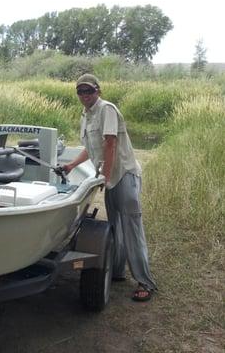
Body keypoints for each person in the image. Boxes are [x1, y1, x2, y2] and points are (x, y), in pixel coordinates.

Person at [62, 73, 157, 301]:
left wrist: (104, 176)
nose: (85, 95)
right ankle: (117, 271)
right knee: (115, 226)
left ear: (98, 90)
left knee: (131, 228)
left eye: (89, 90)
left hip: (123, 175)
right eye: (80, 91)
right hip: (110, 178)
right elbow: (91, 148)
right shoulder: (85, 115)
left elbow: (110, 142)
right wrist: (72, 165)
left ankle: (145, 281)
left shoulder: (107, 109)